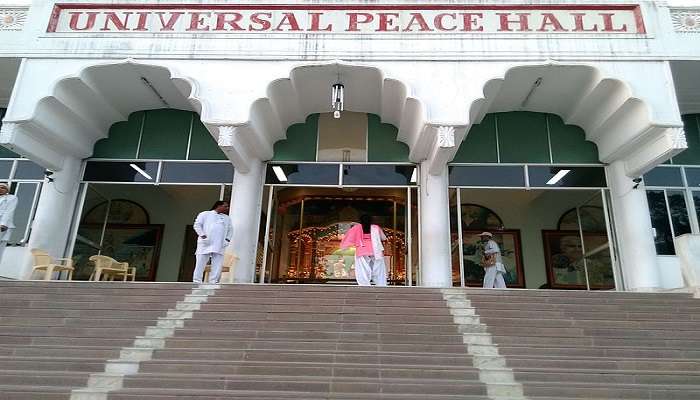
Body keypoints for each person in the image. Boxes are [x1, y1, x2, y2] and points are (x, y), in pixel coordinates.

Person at [339, 214, 388, 286]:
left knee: (363, 268)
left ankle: (364, 284)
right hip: (375, 250)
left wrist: (344, 247)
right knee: (378, 268)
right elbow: (383, 238)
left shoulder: (356, 228)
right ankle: (381, 284)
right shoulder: (375, 227)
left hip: (362, 250)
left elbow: (348, 238)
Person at [192, 201, 233, 284]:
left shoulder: (227, 218)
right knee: (200, 262)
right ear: (218, 206)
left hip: (220, 244)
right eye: (225, 206)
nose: (227, 208)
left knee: (217, 263)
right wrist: (203, 236)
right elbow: (197, 225)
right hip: (205, 243)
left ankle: (213, 281)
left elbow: (230, 229)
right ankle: (197, 281)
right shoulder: (205, 214)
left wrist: (227, 240)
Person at [0, 182, 17, 264]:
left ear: (7, 190)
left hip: (2, 226)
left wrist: (4, 223)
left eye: (3, 187)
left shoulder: (11, 198)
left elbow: (9, 211)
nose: (0, 188)